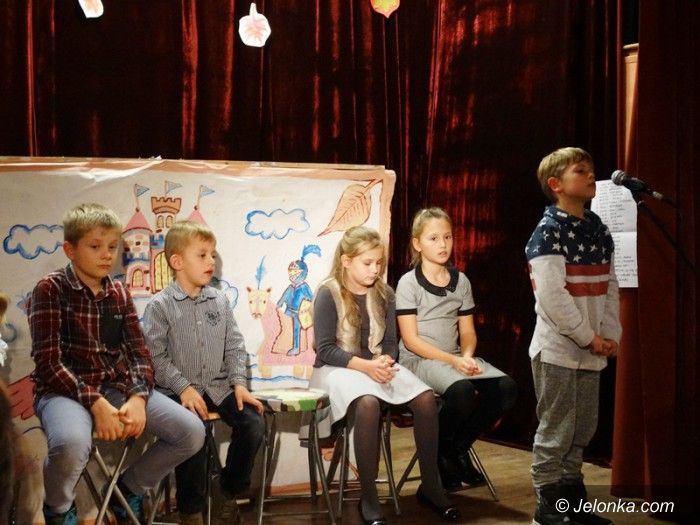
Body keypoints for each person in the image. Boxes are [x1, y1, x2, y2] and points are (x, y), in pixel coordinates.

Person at [29, 203, 206, 525]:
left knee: (191, 432)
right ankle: (58, 509)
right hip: (62, 393)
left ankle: (128, 490)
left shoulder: (119, 292)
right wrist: (96, 404)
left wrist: (138, 398)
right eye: (95, 247)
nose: (106, 255)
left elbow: (140, 354)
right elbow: (48, 363)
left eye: (112, 247)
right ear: (70, 250)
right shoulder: (50, 289)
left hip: (115, 387)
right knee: (71, 443)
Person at [310, 226, 460, 525]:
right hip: (337, 369)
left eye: (379, 263)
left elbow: (391, 343)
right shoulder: (328, 292)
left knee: (426, 398)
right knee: (367, 403)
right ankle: (369, 497)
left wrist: (384, 361)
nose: (375, 269)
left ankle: (431, 486)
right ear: (346, 261)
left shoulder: (385, 293)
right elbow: (325, 349)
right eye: (367, 263)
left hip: (376, 365)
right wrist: (366, 367)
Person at [143, 220, 265, 525]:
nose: (211, 261)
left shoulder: (219, 300)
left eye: (212, 254)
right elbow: (155, 357)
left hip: (217, 387)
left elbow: (234, 345)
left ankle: (227, 489)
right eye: (202, 255)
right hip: (178, 392)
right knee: (193, 430)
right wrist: (183, 388)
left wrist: (239, 384)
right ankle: (191, 511)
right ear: (177, 262)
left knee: (253, 423)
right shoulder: (160, 306)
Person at [525, 147, 620, 525]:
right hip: (558, 350)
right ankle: (547, 502)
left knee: (582, 428)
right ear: (556, 184)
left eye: (591, 169)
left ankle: (571, 499)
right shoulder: (547, 232)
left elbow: (610, 285)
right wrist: (587, 336)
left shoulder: (598, 230)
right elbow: (552, 297)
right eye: (580, 171)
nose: (590, 176)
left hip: (591, 347)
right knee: (557, 427)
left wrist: (609, 333)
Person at [395, 207, 517, 491]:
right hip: (419, 360)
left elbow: (468, 332)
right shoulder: (408, 283)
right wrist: (453, 361)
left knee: (506, 388)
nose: (443, 244)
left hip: (453, 359)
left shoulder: (461, 281)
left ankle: (456, 447)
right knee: (461, 391)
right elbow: (411, 340)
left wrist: (466, 356)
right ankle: (440, 453)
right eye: (434, 238)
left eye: (447, 237)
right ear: (417, 243)